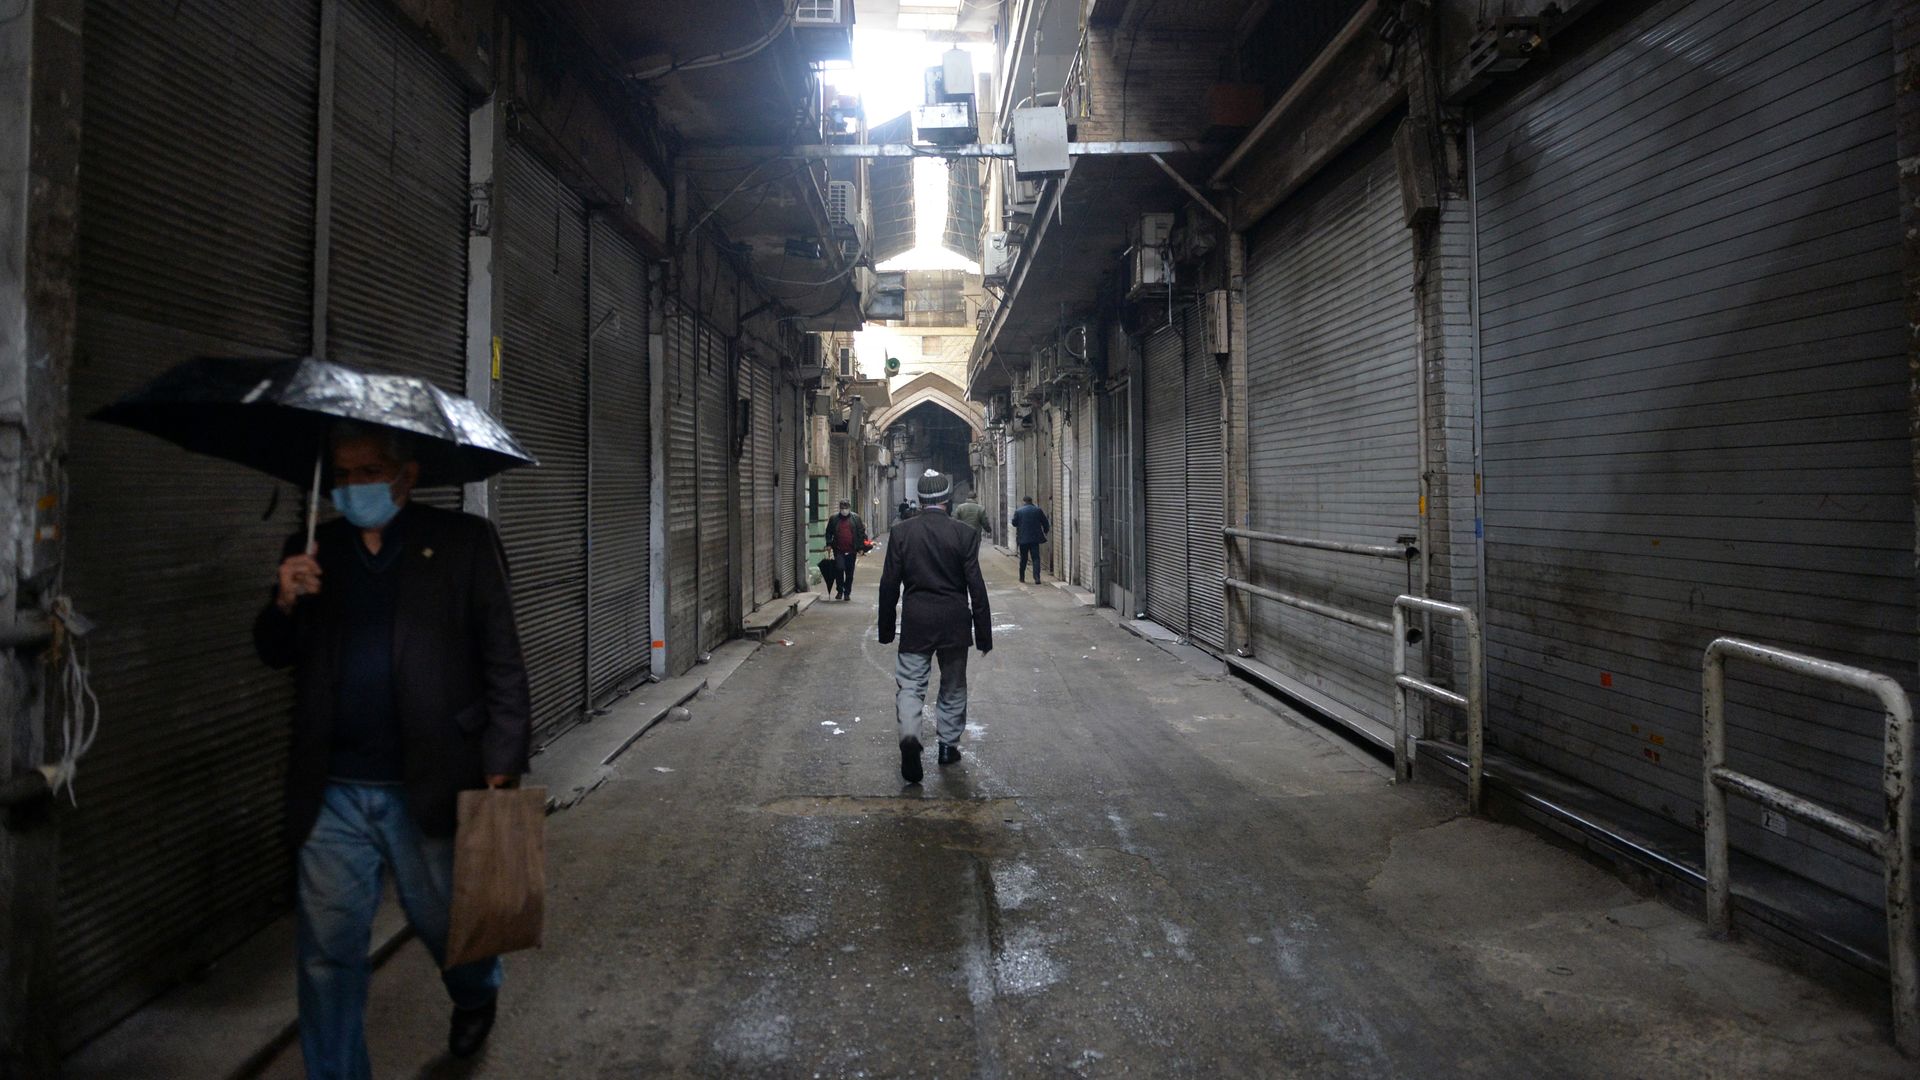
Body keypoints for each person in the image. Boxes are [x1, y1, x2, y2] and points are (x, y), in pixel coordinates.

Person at [255, 420, 532, 1076]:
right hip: (334, 790)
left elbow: (503, 660)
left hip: (432, 779)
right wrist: (284, 602)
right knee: (327, 954)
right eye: (342, 474)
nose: (353, 486)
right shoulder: (311, 550)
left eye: (368, 472)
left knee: (447, 926)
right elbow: (272, 653)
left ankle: (475, 991)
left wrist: (502, 759)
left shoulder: (463, 542)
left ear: (405, 476)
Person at [878, 470, 992, 782]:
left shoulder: (902, 533)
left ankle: (911, 735)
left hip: (916, 622)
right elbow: (976, 586)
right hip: (954, 622)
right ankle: (947, 747)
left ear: (921, 498)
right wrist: (983, 633)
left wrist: (886, 628)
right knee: (953, 685)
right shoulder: (964, 534)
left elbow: (889, 585)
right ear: (946, 498)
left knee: (911, 685)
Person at [824, 499, 868, 602]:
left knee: (849, 573)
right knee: (839, 569)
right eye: (842, 508)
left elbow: (861, 533)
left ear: (849, 508)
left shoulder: (855, 518)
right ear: (840, 509)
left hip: (851, 550)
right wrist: (829, 544)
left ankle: (847, 592)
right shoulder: (834, 519)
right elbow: (828, 532)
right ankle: (840, 590)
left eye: (846, 508)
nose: (844, 510)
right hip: (839, 550)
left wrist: (861, 548)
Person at [1011, 495, 1051, 584]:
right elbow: (1045, 522)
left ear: (1024, 501)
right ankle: (1037, 578)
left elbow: (1014, 523)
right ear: (1031, 501)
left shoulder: (1018, 511)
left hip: (1023, 539)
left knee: (1023, 558)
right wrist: (1045, 531)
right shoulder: (1037, 510)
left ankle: (1022, 577)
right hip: (1034, 539)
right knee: (1036, 558)